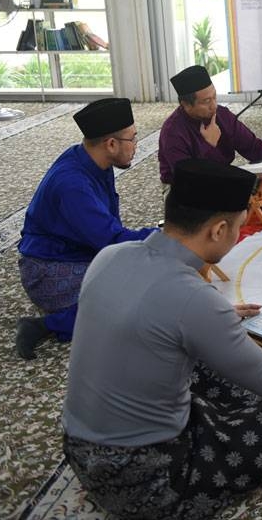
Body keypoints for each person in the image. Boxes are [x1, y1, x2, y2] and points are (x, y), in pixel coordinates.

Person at [62, 159, 262, 519]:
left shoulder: (111, 256)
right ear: (218, 229)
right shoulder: (194, 298)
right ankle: (260, 472)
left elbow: (154, 317)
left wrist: (214, 319)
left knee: (206, 364)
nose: (238, 236)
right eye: (239, 228)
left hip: (81, 453)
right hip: (147, 478)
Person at [15, 98, 156, 360]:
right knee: (135, 291)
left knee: (143, 270)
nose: (137, 146)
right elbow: (111, 239)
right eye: (133, 139)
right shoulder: (73, 184)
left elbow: (110, 231)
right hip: (46, 270)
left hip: (79, 252)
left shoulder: (93, 160)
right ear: (111, 144)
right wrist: (165, 234)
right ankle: (42, 326)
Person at [158, 64, 262, 184]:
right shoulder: (172, 132)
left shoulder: (222, 115)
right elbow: (191, 179)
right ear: (186, 105)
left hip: (221, 177)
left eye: (214, 97)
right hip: (183, 188)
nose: (214, 106)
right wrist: (209, 145)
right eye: (206, 101)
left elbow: (253, 146)